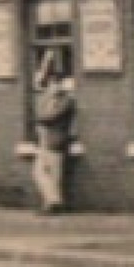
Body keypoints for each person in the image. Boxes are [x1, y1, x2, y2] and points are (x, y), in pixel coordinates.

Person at [31, 53, 77, 216]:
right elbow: (39, 113)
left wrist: (42, 117)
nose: (53, 86)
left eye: (56, 83)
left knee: (53, 173)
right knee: (39, 172)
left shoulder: (66, 101)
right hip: (44, 139)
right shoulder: (49, 99)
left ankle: (53, 204)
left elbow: (49, 117)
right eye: (51, 83)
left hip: (57, 140)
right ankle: (53, 202)